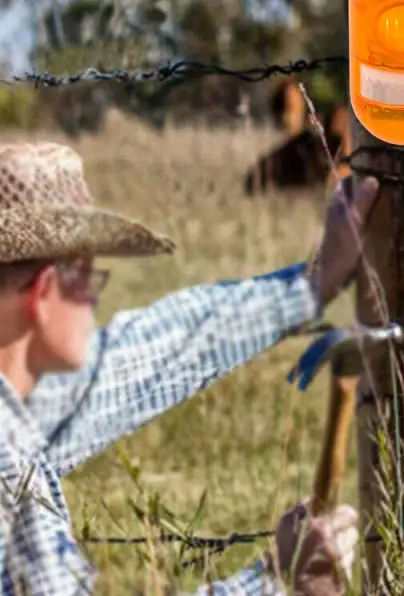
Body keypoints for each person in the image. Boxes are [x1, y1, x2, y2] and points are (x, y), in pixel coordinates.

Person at [0, 141, 380, 595]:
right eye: (87, 278)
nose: (95, 301)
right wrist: (277, 584)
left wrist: (311, 286)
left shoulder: (20, 410)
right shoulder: (11, 473)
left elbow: (146, 356)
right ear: (44, 295)